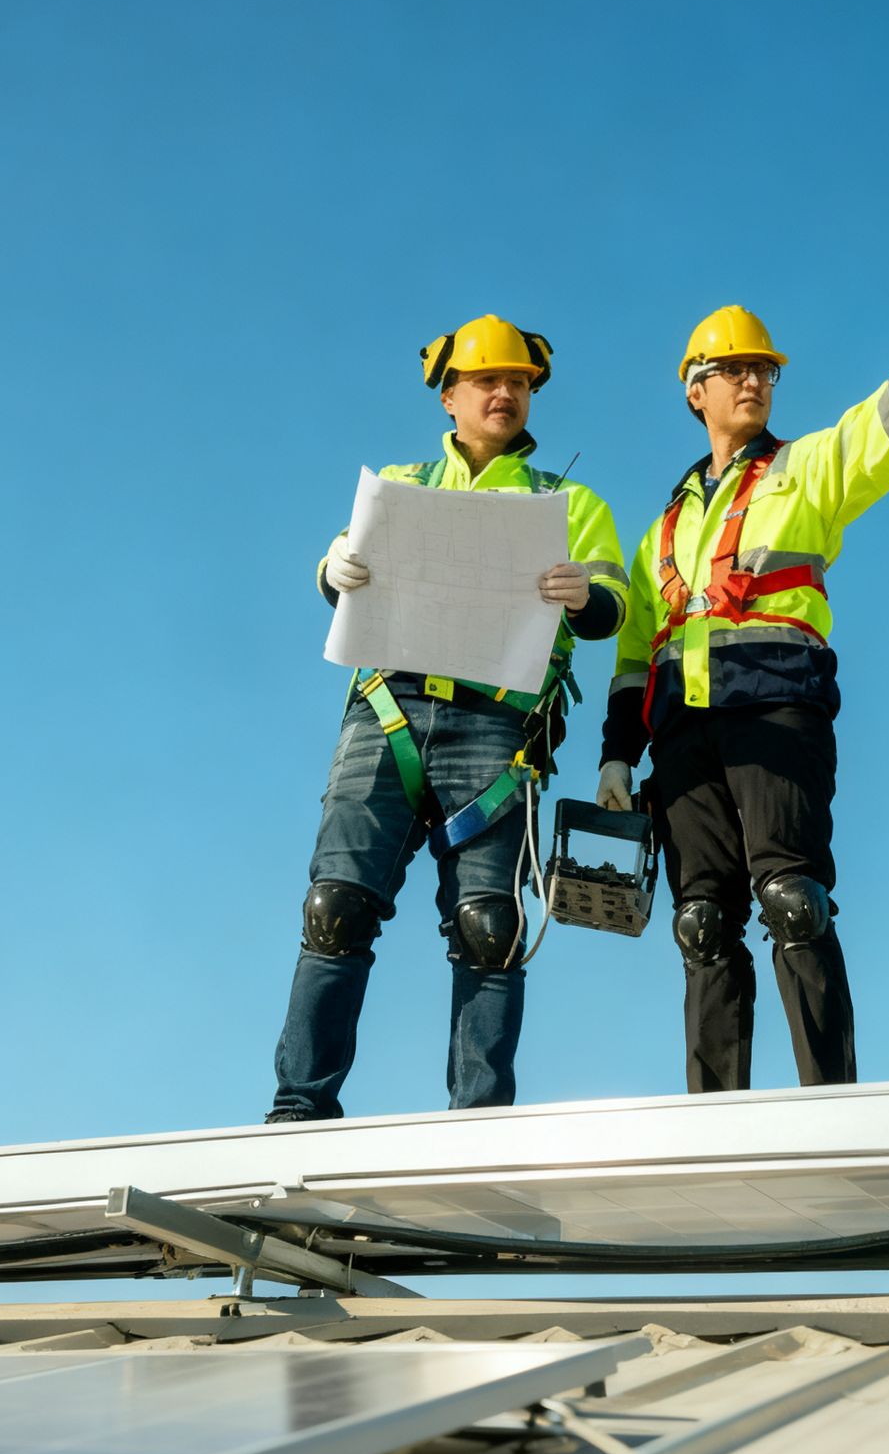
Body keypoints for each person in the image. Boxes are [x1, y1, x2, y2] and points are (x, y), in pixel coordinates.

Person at [596, 247, 889, 1092]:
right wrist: (617, 755)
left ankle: (831, 1103)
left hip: (776, 713)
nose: (754, 381)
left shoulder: (807, 470)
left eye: (765, 370)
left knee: (792, 900)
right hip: (682, 740)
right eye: (736, 369)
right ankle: (715, 1120)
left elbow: (885, 430)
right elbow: (636, 651)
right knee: (702, 922)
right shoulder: (658, 532)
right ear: (696, 388)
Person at [268, 315, 625, 1119]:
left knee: (487, 924)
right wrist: (333, 565)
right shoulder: (402, 484)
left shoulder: (570, 503)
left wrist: (588, 595)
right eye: (489, 381)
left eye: (521, 384)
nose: (507, 394)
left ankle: (478, 1122)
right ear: (450, 396)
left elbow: (613, 604)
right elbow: (333, 563)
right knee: (337, 905)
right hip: (388, 714)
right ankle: (299, 1111)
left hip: (499, 729)